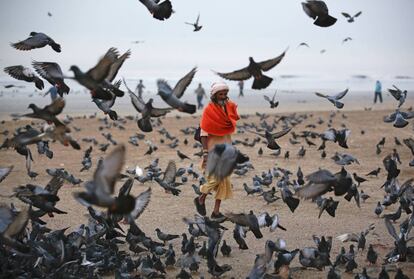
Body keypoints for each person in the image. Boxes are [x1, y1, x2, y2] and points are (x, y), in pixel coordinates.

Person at [193, 81, 240, 220]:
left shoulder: (227, 109)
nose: (224, 96)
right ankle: (201, 198)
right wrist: (205, 152)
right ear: (214, 95)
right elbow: (203, 133)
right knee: (216, 179)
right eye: (221, 94)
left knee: (224, 182)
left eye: (225, 93)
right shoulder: (208, 110)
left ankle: (216, 212)